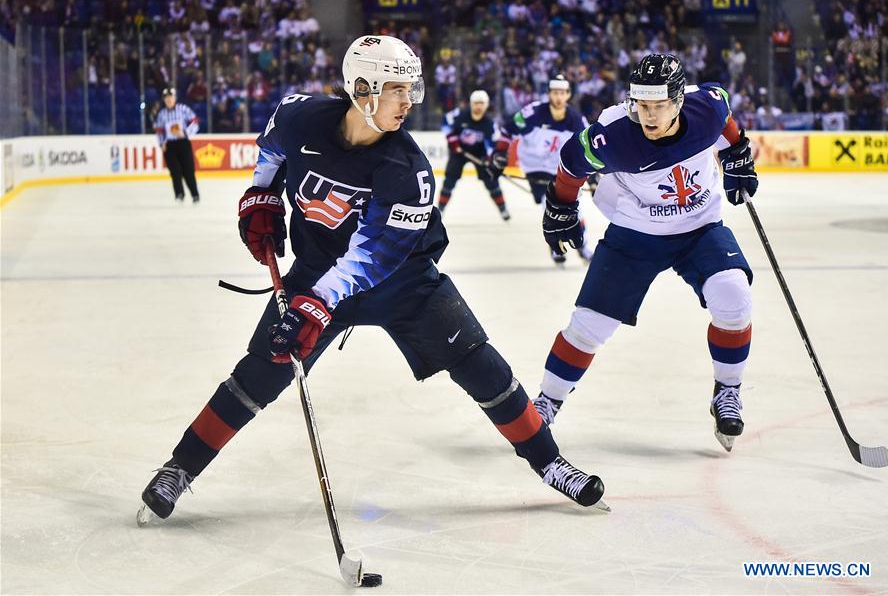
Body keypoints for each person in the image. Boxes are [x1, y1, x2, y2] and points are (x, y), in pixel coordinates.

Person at [137, 35, 607, 525]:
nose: (409, 102)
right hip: (316, 273)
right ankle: (179, 468)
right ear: (361, 89)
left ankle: (550, 462)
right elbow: (273, 149)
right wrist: (260, 196)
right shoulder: (300, 116)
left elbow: (373, 257)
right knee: (259, 373)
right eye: (397, 90)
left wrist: (317, 303)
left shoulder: (408, 170)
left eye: (411, 89)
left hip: (404, 283)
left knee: (480, 363)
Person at [532, 54, 759, 453]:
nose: (649, 115)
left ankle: (727, 390)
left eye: (658, 105)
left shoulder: (705, 105)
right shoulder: (614, 132)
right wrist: (562, 205)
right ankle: (546, 403)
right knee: (588, 326)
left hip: (700, 227)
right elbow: (571, 163)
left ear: (678, 101)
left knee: (734, 297)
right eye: (642, 105)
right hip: (636, 233)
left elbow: (724, 120)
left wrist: (737, 150)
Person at [495, 75, 594, 265]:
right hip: (534, 168)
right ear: (549, 94)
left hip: (560, 168)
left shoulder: (576, 120)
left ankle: (582, 247)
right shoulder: (532, 113)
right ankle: (558, 246)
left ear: (568, 95)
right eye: (555, 93)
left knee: (575, 208)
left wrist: (593, 178)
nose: (558, 97)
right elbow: (508, 130)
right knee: (548, 205)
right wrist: (500, 153)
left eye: (562, 93)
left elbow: (588, 149)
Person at [437, 90, 509, 221]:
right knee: (449, 181)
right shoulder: (460, 114)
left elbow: (492, 145)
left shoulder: (490, 124)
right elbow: (445, 121)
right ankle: (440, 210)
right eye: (476, 103)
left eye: (482, 103)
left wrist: (488, 158)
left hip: (479, 154)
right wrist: (452, 139)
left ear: (486, 105)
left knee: (491, 181)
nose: (479, 106)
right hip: (459, 151)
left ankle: (503, 208)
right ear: (471, 104)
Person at [154, 87, 201, 203]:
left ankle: (195, 194)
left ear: (175, 98)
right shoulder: (162, 114)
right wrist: (161, 143)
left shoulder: (183, 109)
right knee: (175, 170)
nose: (169, 100)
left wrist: (185, 132)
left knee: (188, 169)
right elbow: (159, 130)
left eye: (171, 97)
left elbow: (195, 121)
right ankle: (179, 194)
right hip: (169, 145)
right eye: (167, 98)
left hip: (183, 143)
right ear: (164, 100)